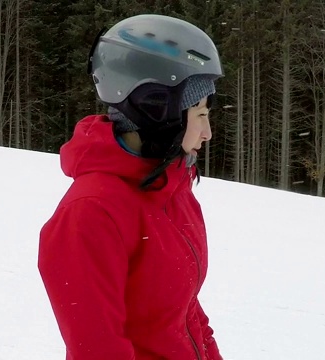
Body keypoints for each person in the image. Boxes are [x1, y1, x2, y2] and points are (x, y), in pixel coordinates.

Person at [37, 14, 224, 360]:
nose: (207, 132)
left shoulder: (172, 191)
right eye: (199, 114)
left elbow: (186, 315)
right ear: (157, 109)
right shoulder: (90, 213)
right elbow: (98, 349)